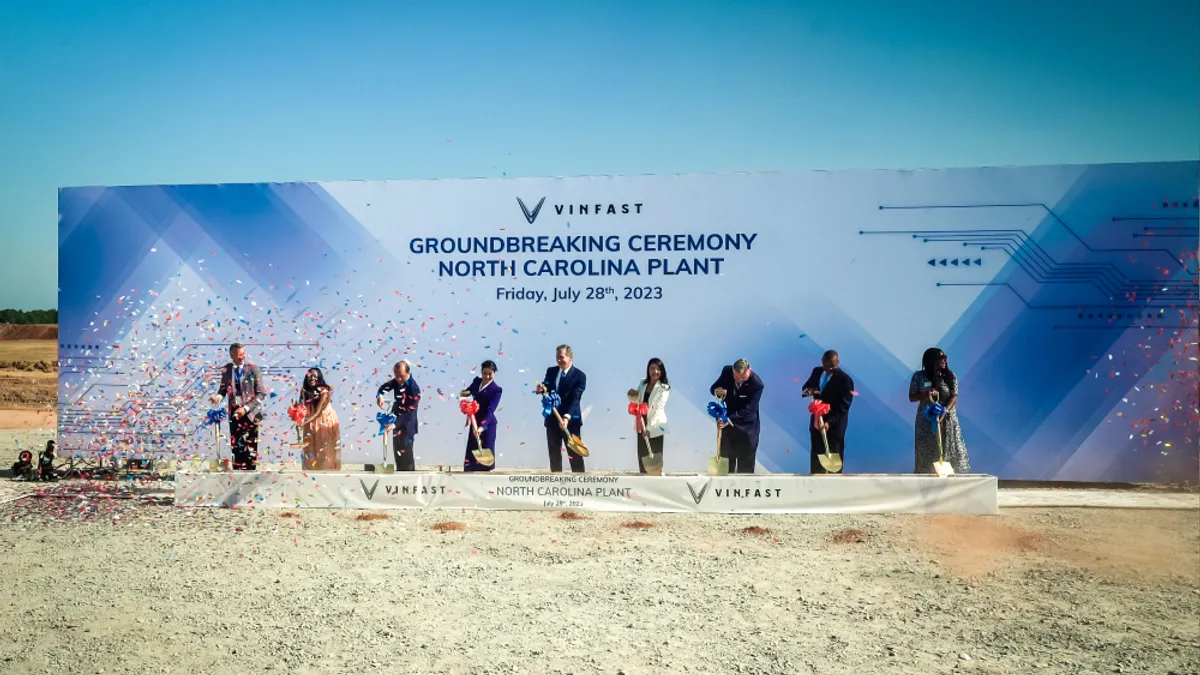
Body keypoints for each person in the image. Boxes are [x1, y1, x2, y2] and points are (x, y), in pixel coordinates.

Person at [909, 347, 970, 474]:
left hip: (946, 418)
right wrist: (926, 395)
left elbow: (954, 397)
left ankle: (946, 478)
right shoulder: (919, 376)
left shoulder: (950, 376)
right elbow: (912, 397)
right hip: (926, 419)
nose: (944, 360)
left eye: (945, 357)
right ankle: (924, 479)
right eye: (940, 358)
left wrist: (944, 410)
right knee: (926, 451)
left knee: (946, 450)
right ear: (931, 361)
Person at [211, 343, 266, 471]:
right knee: (237, 449)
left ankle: (250, 478)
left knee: (250, 450)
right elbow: (223, 390)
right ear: (232, 354)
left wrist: (246, 409)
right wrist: (217, 397)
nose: (242, 357)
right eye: (239, 354)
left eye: (244, 353)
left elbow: (261, 393)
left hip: (251, 414)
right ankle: (236, 477)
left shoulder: (253, 369)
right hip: (234, 414)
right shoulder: (226, 370)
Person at [802, 350, 854, 474]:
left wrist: (829, 422)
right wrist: (809, 390)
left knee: (834, 456)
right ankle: (816, 482)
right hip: (817, 421)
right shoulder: (817, 372)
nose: (828, 370)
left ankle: (835, 485)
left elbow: (844, 407)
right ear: (822, 362)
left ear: (837, 363)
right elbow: (807, 386)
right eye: (826, 366)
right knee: (817, 454)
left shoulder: (845, 381)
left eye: (832, 367)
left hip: (834, 425)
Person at [536, 345, 587, 473]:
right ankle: (556, 484)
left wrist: (566, 417)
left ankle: (580, 485)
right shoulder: (551, 371)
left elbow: (576, 399)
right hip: (552, 420)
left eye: (561, 357)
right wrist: (541, 389)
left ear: (570, 358)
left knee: (575, 455)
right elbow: (546, 386)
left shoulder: (579, 376)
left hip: (571, 421)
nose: (559, 360)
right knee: (554, 454)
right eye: (557, 357)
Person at [709, 358, 764, 474]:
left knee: (745, 468)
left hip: (747, 429)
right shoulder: (726, 371)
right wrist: (717, 391)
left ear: (749, 371)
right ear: (733, 372)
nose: (740, 382)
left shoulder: (757, 384)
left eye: (743, 379)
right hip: (728, 430)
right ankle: (723, 490)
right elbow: (713, 388)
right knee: (725, 466)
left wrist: (728, 419)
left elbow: (750, 410)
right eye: (737, 378)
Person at [626, 358, 671, 473]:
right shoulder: (643, 383)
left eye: (657, 369)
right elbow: (638, 401)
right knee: (642, 456)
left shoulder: (664, 388)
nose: (655, 371)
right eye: (652, 368)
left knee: (654, 461)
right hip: (641, 423)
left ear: (662, 371)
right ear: (648, 370)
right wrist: (632, 397)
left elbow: (658, 408)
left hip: (656, 425)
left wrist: (649, 428)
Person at [377, 361, 421, 471]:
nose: (398, 379)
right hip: (395, 422)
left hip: (407, 425)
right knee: (398, 452)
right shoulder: (397, 380)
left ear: (407, 373)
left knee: (406, 455)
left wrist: (394, 424)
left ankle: (409, 480)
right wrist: (380, 396)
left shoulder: (414, 388)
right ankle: (400, 478)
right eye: (396, 376)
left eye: (401, 376)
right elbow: (384, 387)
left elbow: (409, 412)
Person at [460, 360, 503, 472]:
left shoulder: (496, 390)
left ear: (494, 373)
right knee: (472, 455)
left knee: (485, 457)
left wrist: (482, 427)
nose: (487, 376)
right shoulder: (476, 382)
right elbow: (465, 393)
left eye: (490, 374)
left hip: (487, 426)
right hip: (474, 422)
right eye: (484, 373)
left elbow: (490, 410)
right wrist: (466, 402)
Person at [299, 367, 341, 471]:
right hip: (311, 422)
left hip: (325, 422)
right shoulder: (305, 391)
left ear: (319, 378)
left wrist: (304, 423)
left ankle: (326, 477)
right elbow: (303, 408)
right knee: (311, 452)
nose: (312, 378)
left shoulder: (324, 392)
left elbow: (318, 412)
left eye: (315, 376)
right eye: (309, 376)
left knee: (324, 452)